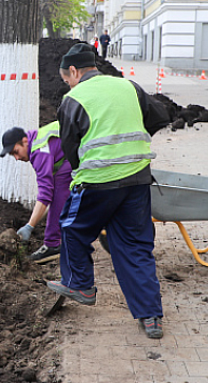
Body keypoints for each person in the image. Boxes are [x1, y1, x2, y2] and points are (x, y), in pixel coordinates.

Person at [47, 43, 170, 339]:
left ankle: (80, 285)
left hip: (98, 181)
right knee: (135, 247)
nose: (68, 83)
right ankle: (151, 318)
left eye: (67, 78)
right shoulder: (129, 86)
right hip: (138, 179)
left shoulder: (73, 98)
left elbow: (70, 149)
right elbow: (159, 117)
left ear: (74, 72)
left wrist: (88, 165)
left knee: (71, 227)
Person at [0, 122, 71, 262]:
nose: (17, 158)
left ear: (25, 141)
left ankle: (52, 245)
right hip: (78, 147)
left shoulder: (39, 152)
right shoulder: (37, 141)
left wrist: (29, 226)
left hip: (85, 148)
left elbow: (45, 196)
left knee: (58, 192)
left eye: (16, 152)